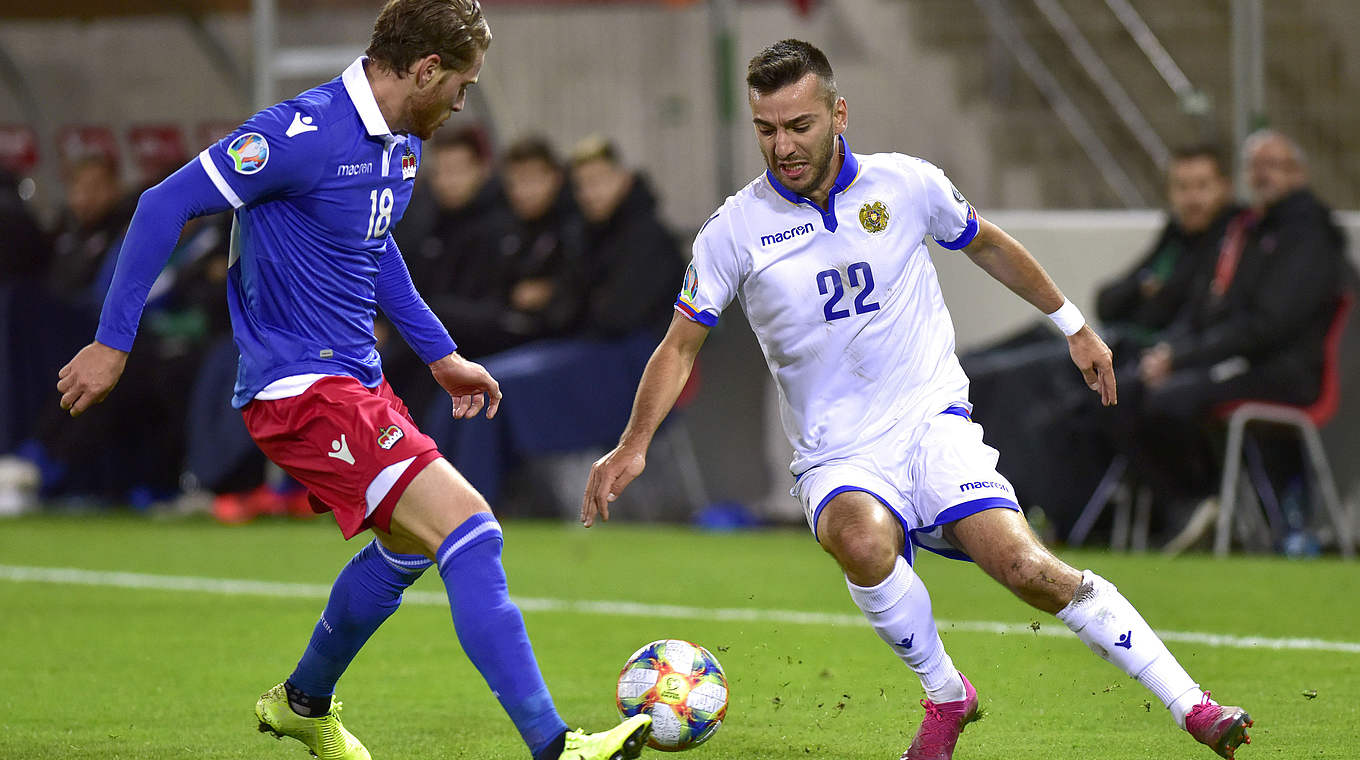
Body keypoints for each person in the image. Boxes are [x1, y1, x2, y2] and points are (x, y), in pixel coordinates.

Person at [582, 39, 1252, 760]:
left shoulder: (906, 185)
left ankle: (1196, 708)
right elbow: (680, 344)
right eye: (766, 129)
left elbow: (987, 243)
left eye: (799, 125)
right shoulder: (734, 231)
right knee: (861, 540)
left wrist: (1074, 326)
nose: (783, 146)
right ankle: (946, 694)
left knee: (1029, 570)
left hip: (933, 425)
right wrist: (634, 443)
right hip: (837, 451)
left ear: (839, 113)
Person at [54, 2, 651, 759]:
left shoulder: (397, 148)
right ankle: (554, 746)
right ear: (426, 69)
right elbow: (162, 203)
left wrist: (439, 353)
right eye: (460, 84)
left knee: (407, 550)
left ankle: (303, 702)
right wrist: (114, 343)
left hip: (354, 384)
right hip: (300, 390)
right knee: (471, 530)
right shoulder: (298, 133)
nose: (463, 101)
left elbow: (376, 247)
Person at [963, 144, 1240, 536]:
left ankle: (1011, 510)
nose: (1191, 198)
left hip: (1137, 355)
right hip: (1116, 341)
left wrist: (1151, 294)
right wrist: (1148, 292)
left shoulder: (1228, 243)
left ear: (1224, 187)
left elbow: (1182, 308)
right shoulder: (1176, 236)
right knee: (978, 362)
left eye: (1201, 186)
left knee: (1011, 380)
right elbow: (1110, 300)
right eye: (1182, 187)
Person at [1114, 130, 1352, 550]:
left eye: (1274, 165)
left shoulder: (1308, 235)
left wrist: (1184, 360)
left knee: (1171, 397)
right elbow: (1219, 313)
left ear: (1299, 172)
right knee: (1133, 387)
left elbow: (1268, 327)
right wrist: (1177, 353)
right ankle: (1192, 505)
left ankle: (1199, 500)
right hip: (1247, 360)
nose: (1263, 176)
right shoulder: (1255, 232)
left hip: (1284, 372)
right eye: (1255, 166)